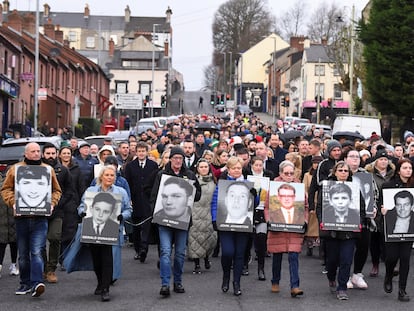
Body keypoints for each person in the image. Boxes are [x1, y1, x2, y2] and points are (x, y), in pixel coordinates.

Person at [1, 142, 61, 297]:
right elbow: (5, 189)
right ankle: (25, 283)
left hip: (40, 218)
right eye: (32, 151)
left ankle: (36, 283)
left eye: (37, 151)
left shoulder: (48, 170)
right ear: (26, 153)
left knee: (36, 251)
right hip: (21, 218)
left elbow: (56, 190)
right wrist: (14, 202)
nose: (36, 153)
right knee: (23, 254)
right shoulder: (15, 169)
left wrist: (52, 203)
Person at [150, 146, 201, 297]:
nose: (178, 161)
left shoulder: (190, 174)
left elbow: (198, 195)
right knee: (165, 252)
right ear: (170, 159)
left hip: (182, 220)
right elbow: (154, 196)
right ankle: (165, 284)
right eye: (175, 158)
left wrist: (190, 190)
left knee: (179, 253)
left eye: (181, 158)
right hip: (164, 220)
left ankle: (177, 281)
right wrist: (155, 214)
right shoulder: (162, 175)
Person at [78, 165, 131, 302]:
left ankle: (106, 289)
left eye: (112, 175)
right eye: (107, 175)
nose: (109, 178)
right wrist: (82, 213)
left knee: (107, 259)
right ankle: (100, 283)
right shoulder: (91, 190)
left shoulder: (121, 192)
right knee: (97, 260)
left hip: (111, 230)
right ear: (101, 176)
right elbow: (82, 207)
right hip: (92, 230)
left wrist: (122, 216)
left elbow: (128, 210)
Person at [317, 161, 364, 301]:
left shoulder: (355, 188)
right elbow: (320, 207)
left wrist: (359, 223)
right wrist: (322, 221)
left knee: (346, 259)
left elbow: (361, 208)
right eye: (341, 170)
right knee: (331, 260)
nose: (343, 173)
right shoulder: (326, 187)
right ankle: (331, 277)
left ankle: (342, 287)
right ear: (335, 172)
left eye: (346, 171)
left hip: (349, 233)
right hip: (331, 231)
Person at [211, 156, 256, 296]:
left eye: (239, 168)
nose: (237, 170)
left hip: (243, 225)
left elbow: (253, 204)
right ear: (229, 170)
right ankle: (226, 276)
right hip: (226, 224)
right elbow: (215, 202)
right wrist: (214, 219)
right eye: (234, 168)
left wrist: (256, 195)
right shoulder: (222, 184)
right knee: (228, 252)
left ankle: (236, 282)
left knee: (239, 254)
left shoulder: (247, 183)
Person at [265, 160, 307, 297]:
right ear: (280, 173)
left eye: (291, 173)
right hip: (277, 226)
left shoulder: (299, 187)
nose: (289, 175)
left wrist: (305, 220)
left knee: (293, 256)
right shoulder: (273, 187)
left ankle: (295, 286)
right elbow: (267, 207)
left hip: (295, 227)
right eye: (286, 173)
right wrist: (269, 220)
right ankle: (275, 281)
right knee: (277, 256)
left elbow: (305, 207)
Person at [381, 158, 414, 301]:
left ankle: (402, 290)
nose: (408, 170)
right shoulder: (388, 185)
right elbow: (381, 202)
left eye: (410, 168)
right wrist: (383, 209)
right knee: (392, 257)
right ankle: (388, 275)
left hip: (410, 228)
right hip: (391, 228)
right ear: (399, 170)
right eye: (405, 168)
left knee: (405, 259)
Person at [41, 143, 73, 284]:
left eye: (53, 153)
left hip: (57, 211)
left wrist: (57, 203)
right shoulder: (36, 169)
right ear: (43, 155)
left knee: (55, 238)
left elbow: (69, 191)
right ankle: (42, 268)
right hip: (38, 212)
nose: (51, 156)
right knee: (40, 243)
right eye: (48, 154)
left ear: (57, 154)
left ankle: (51, 269)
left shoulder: (63, 171)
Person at [124, 141, 158, 263]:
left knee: (146, 227)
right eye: (139, 151)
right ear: (136, 152)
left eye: (143, 151)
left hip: (148, 200)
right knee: (137, 227)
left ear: (147, 152)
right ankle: (138, 249)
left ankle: (144, 249)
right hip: (135, 200)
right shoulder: (130, 166)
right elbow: (127, 183)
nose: (141, 153)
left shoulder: (153, 165)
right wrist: (129, 199)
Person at [187, 158, 217, 274]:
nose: (204, 169)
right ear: (197, 169)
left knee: (210, 238)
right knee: (195, 239)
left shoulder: (214, 182)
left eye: (206, 167)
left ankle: (206, 258)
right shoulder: (193, 182)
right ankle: (197, 264)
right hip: (195, 213)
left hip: (209, 212)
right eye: (201, 167)